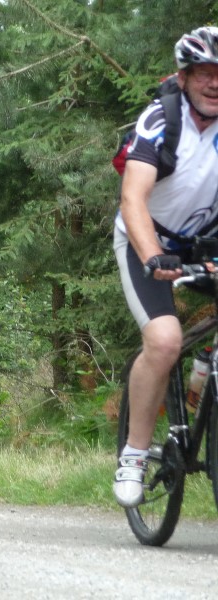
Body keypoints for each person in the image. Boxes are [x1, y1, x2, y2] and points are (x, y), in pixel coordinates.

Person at [113, 26, 218, 508]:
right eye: (203, 73)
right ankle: (134, 454)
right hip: (145, 237)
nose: (213, 82)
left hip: (203, 242)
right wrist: (152, 254)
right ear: (184, 76)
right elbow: (133, 197)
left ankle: (206, 369)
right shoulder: (161, 119)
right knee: (163, 339)